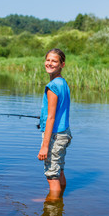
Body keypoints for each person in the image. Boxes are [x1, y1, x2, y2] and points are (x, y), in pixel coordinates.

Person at [38, 48, 72, 201]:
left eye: (54, 61)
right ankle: (59, 196)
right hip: (64, 133)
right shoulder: (62, 82)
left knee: (52, 175)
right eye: (48, 60)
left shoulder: (52, 87)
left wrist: (45, 146)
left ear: (62, 64)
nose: (50, 63)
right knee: (59, 171)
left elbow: (51, 118)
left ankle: (53, 205)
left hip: (55, 136)